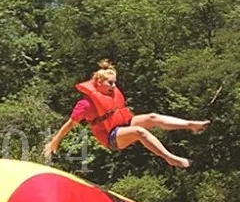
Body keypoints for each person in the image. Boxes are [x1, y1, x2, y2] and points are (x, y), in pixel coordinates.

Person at [43, 60, 210, 169]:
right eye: (110, 83)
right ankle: (171, 158)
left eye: (115, 83)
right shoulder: (85, 104)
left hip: (124, 122)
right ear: (99, 83)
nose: (114, 87)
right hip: (112, 137)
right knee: (140, 132)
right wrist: (55, 141)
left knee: (152, 117)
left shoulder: (110, 92)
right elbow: (70, 124)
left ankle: (191, 125)